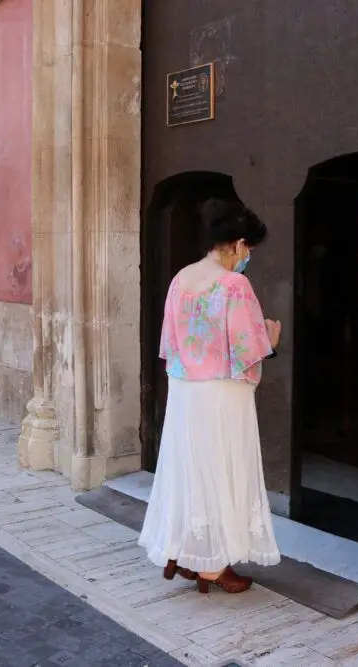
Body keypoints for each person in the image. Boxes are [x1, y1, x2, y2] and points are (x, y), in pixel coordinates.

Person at [138, 198, 282, 595]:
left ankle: (185, 551)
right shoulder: (234, 284)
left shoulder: (181, 279)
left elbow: (170, 344)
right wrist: (271, 341)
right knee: (222, 468)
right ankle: (213, 566)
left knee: (189, 469)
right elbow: (247, 348)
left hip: (185, 392)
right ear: (238, 244)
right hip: (222, 393)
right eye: (248, 248)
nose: (247, 256)